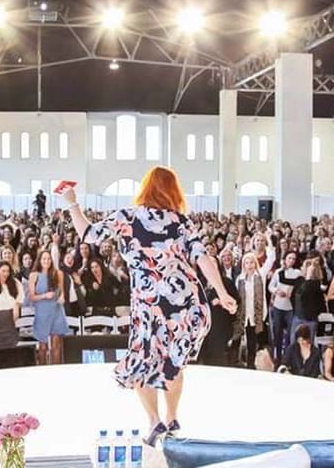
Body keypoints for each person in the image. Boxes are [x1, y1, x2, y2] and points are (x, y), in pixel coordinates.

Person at [63, 167, 236, 447]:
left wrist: (71, 202)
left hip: (150, 303)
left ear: (145, 188)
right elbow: (205, 258)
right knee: (174, 360)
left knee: (143, 361)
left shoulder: (128, 218)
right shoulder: (181, 222)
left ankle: (155, 421)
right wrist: (221, 292)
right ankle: (172, 417)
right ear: (173, 191)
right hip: (184, 301)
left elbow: (89, 234)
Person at [26, 250, 69, 365]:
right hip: (42, 312)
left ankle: (57, 369)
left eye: (49, 259)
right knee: (43, 346)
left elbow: (62, 291)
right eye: (44, 259)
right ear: (40, 260)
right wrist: (44, 296)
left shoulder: (58, 273)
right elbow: (32, 297)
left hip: (56, 310)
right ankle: (42, 370)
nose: (47, 261)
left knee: (56, 343)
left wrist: (62, 297)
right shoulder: (34, 275)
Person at [235, 252, 268, 369]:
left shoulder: (259, 278)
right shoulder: (239, 279)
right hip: (242, 314)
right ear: (243, 265)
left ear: (255, 263)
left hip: (254, 314)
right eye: (247, 263)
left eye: (251, 262)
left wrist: (263, 315)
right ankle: (236, 362)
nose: (249, 265)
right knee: (237, 338)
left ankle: (250, 364)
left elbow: (263, 297)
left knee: (252, 342)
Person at [268, 251, 300, 365]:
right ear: (285, 259)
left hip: (290, 307)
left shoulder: (297, 273)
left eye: (293, 259)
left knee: (290, 333)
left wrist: (293, 292)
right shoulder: (279, 272)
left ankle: (288, 357)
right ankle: (277, 356)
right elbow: (270, 286)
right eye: (289, 258)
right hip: (278, 305)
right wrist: (277, 291)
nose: (291, 260)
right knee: (277, 331)